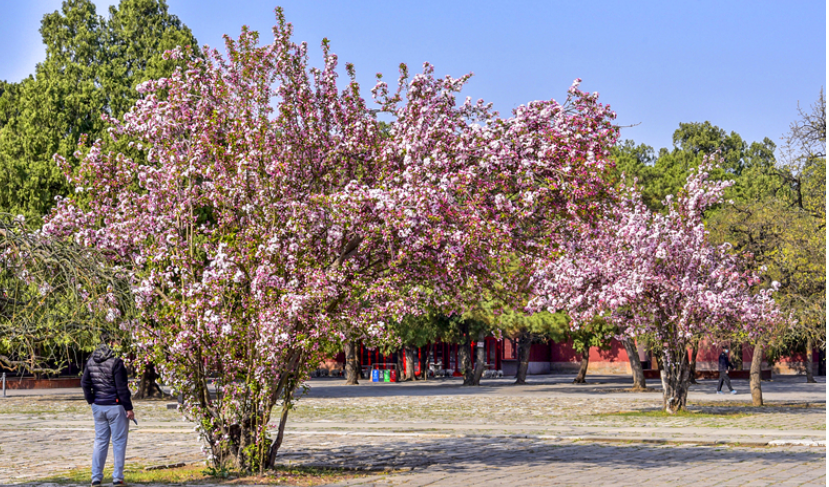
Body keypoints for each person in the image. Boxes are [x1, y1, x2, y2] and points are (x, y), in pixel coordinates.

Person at [80, 335, 135, 486]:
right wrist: (129, 408)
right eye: (118, 341)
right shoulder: (116, 362)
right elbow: (121, 388)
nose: (119, 344)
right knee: (119, 442)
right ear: (111, 343)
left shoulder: (91, 361)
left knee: (100, 442)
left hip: (99, 406)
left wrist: (91, 400)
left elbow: (85, 383)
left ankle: (96, 477)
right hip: (115, 406)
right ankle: (117, 477)